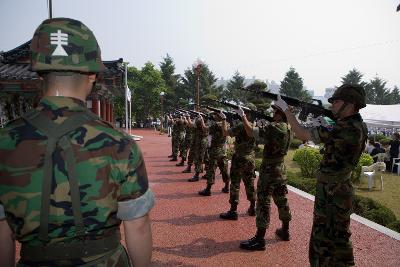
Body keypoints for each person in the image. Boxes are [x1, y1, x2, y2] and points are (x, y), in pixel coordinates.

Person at [0, 18, 154, 267]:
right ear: (92, 74)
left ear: (39, 71)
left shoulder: (5, 141)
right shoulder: (118, 143)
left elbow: (1, 231)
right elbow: (138, 225)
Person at [273, 84, 368, 266]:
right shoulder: (357, 125)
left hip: (332, 192)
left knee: (321, 242)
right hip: (339, 189)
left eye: (336, 101)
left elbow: (301, 133)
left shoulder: (343, 128)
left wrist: (286, 111)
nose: (331, 105)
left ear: (350, 104)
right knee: (339, 240)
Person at [238, 105, 292, 251]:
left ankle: (260, 239)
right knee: (282, 200)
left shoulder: (275, 127)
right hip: (281, 169)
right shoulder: (287, 127)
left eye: (275, 111)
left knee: (263, 202)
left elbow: (250, 132)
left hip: (269, 171)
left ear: (280, 114)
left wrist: (243, 116)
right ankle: (285, 230)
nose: (273, 114)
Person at [220, 114, 256, 220]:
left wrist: (223, 119)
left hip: (239, 158)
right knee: (250, 183)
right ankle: (253, 207)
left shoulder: (241, 125)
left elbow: (225, 133)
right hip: (250, 158)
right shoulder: (254, 125)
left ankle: (233, 210)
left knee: (235, 184)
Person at [198, 112, 230, 196]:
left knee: (211, 170)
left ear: (219, 116)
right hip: (223, 150)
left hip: (215, 150)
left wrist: (201, 120)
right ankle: (227, 187)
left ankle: (208, 189)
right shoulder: (227, 124)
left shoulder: (216, 125)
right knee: (224, 169)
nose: (214, 116)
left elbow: (205, 129)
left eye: (215, 115)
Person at [187, 115, 209, 182]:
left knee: (199, 158)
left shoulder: (200, 121)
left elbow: (191, 125)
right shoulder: (208, 122)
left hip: (200, 141)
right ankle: (207, 173)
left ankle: (196, 175)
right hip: (204, 141)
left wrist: (188, 117)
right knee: (206, 158)